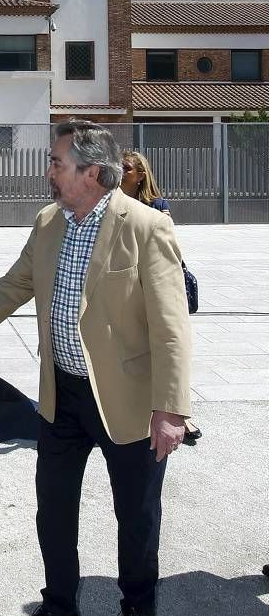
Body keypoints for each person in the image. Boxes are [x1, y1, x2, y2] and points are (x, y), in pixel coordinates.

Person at [0, 120, 191, 616]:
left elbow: (172, 327)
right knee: (53, 510)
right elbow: (15, 283)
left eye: (57, 163)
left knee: (137, 514)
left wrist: (170, 410)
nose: (48, 171)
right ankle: (59, 610)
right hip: (63, 397)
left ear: (93, 174)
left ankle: (138, 612)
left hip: (127, 401)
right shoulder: (50, 221)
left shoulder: (147, 227)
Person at [120, 150, 202, 446]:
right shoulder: (107, 204)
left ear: (140, 175)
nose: (119, 171)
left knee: (165, 351)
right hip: (125, 291)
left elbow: (169, 248)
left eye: (126, 168)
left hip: (152, 288)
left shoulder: (157, 206)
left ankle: (181, 412)